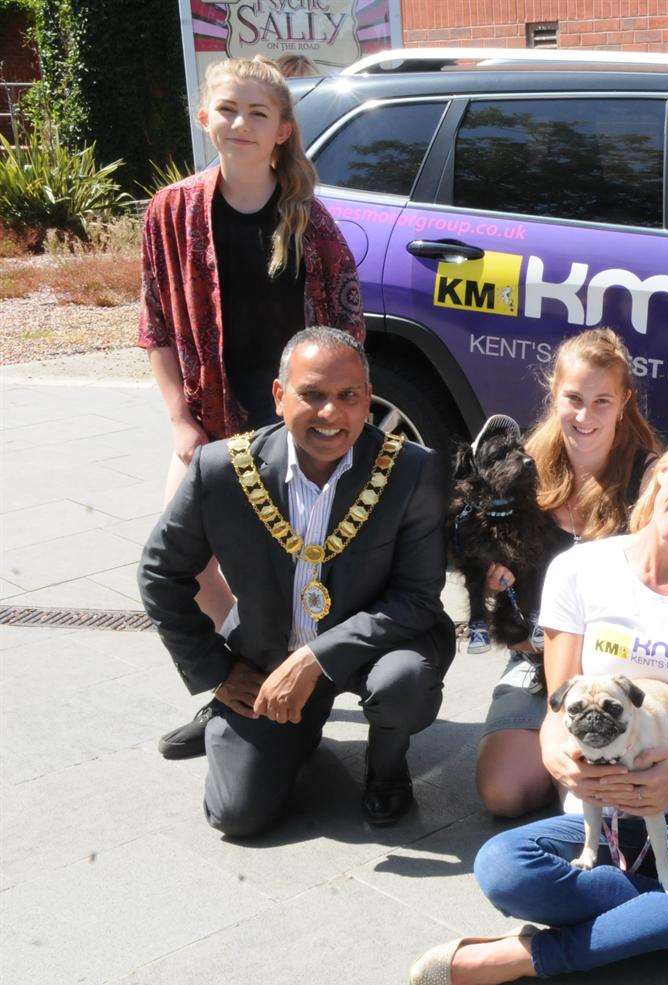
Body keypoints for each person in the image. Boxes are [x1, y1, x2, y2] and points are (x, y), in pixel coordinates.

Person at [412, 427, 668, 984]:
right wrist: (560, 760)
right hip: (600, 816)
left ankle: (528, 957)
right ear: (661, 471)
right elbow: (557, 712)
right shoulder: (581, 569)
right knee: (501, 868)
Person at [138, 328, 455, 834]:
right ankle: (278, 725)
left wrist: (314, 659)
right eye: (312, 395)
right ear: (280, 396)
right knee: (236, 816)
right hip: (267, 653)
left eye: (349, 396)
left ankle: (388, 765)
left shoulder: (411, 471)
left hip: (376, 648)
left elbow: (417, 600)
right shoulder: (221, 469)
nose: (332, 414)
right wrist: (216, 670)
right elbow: (159, 572)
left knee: (404, 683)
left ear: (367, 399)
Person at [140, 55, 364, 761]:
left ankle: (294, 685)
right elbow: (158, 327)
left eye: (257, 113)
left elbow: (347, 331)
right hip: (212, 426)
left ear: (282, 131)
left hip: (295, 431)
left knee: (288, 571)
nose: (240, 123)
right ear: (204, 116)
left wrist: (332, 422)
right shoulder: (171, 213)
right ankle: (234, 684)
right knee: (179, 562)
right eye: (228, 109)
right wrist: (180, 418)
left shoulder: (310, 224)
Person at [474, 328, 660, 819]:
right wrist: (492, 585)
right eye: (574, 399)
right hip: (538, 660)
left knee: (595, 793)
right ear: (553, 394)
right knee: (503, 793)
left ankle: (583, 782)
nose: (585, 415)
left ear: (624, 402)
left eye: (602, 401)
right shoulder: (520, 473)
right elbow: (490, 581)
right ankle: (561, 768)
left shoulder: (649, 479)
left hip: (620, 664)